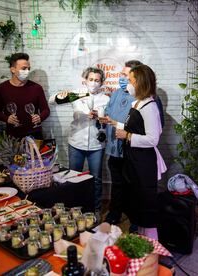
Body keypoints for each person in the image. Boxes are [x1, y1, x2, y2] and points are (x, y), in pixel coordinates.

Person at [114, 64, 167, 239]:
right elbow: (137, 127)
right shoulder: (137, 102)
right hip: (133, 160)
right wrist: (116, 125)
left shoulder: (150, 106)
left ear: (140, 82)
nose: (127, 84)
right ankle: (142, 242)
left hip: (143, 163)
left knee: (146, 206)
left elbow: (153, 139)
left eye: (130, 80)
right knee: (137, 203)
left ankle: (152, 248)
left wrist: (127, 135)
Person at [49, 67, 110, 217]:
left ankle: (95, 209)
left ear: (101, 82)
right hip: (76, 142)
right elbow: (52, 101)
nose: (93, 83)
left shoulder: (106, 99)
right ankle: (73, 209)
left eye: (97, 80)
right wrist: (60, 95)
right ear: (85, 80)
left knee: (96, 179)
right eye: (91, 79)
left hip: (97, 145)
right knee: (73, 177)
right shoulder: (77, 94)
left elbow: (109, 120)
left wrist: (99, 116)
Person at [102, 60, 140, 225]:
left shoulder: (141, 96)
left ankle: (134, 218)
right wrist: (103, 118)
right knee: (116, 183)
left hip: (130, 149)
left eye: (125, 75)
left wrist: (127, 133)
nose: (121, 77)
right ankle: (115, 213)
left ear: (135, 77)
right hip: (113, 149)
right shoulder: (116, 93)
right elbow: (109, 112)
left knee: (132, 186)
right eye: (121, 74)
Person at [0, 53, 50, 139]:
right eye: (24, 68)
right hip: (13, 137)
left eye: (28, 69)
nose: (27, 71)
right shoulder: (1, 89)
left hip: (35, 135)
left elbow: (46, 110)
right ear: (13, 69)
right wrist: (6, 118)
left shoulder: (37, 88)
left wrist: (40, 117)